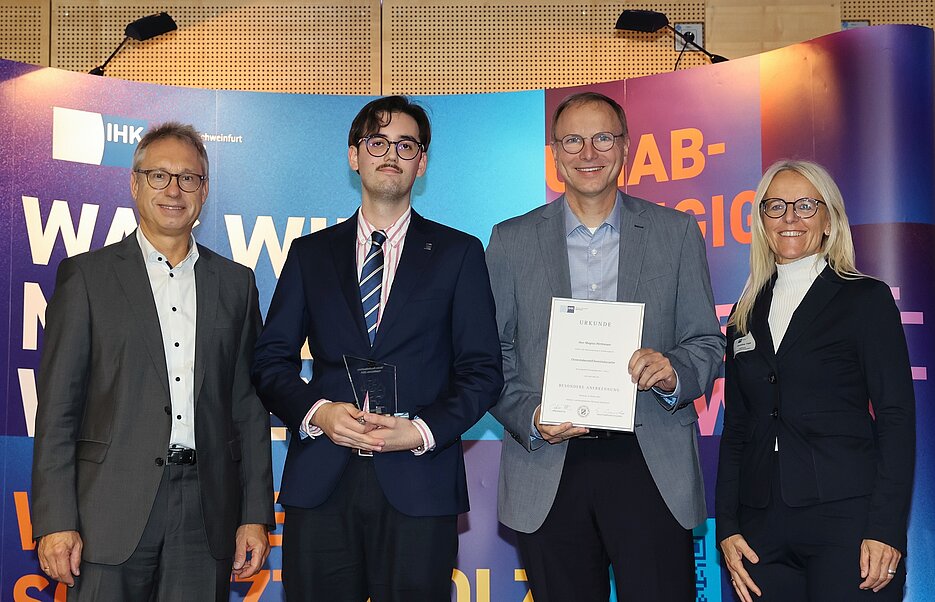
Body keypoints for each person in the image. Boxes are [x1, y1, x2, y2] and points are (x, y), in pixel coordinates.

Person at [252, 95, 503, 601]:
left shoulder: (459, 254)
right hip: (323, 480)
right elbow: (269, 361)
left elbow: (482, 372)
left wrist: (421, 429)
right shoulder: (309, 254)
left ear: (422, 161)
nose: (391, 154)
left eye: (405, 145)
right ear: (354, 155)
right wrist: (318, 412)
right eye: (377, 142)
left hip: (420, 481)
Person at [486, 91, 724, 601]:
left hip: (649, 458)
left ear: (626, 148)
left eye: (603, 138)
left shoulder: (675, 232)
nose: (588, 152)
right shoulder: (510, 240)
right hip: (549, 462)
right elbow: (491, 356)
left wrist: (673, 369)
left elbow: (706, 342)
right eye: (572, 140)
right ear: (555, 154)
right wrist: (531, 414)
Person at [31, 122, 275, 600]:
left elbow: (248, 408)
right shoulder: (86, 277)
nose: (174, 190)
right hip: (108, 508)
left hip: (206, 511)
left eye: (189, 178)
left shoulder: (236, 284)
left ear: (203, 191)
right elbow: (58, 409)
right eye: (159, 175)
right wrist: (57, 520)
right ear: (135, 183)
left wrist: (253, 514)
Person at [716, 160, 915, 602]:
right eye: (775, 206)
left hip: (846, 520)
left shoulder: (865, 298)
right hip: (760, 526)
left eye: (806, 205)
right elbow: (737, 430)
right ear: (761, 221)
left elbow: (897, 418)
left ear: (829, 220)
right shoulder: (744, 314)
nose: (790, 217)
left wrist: (885, 528)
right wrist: (727, 526)